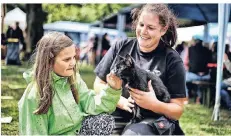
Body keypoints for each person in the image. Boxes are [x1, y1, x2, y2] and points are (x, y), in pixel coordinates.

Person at [94, 4, 186, 135]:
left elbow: (177, 111)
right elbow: (98, 84)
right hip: (117, 115)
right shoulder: (121, 46)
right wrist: (122, 102)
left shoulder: (172, 59)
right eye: (141, 25)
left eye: (151, 27)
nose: (143, 31)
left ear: (163, 29)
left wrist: (153, 104)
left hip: (150, 119)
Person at [18, 32, 123, 135]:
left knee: (105, 120)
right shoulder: (33, 97)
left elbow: (91, 104)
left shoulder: (73, 78)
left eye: (74, 57)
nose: (73, 63)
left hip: (76, 131)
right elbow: (34, 132)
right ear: (49, 61)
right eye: (67, 59)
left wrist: (112, 89)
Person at [186, 38, 212, 104]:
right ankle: (198, 99)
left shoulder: (189, 49)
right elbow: (209, 62)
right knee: (199, 84)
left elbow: (185, 61)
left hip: (193, 75)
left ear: (194, 43)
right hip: (206, 76)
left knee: (181, 80)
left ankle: (186, 98)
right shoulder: (208, 50)